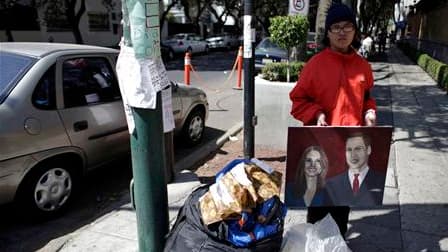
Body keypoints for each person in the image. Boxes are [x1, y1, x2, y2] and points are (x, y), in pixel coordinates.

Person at [289, 3, 377, 236]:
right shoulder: (315, 65)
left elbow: (367, 98)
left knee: (341, 208)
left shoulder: (363, 67)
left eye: (347, 26)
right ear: (328, 33)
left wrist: (369, 112)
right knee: (318, 208)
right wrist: (316, 113)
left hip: (349, 152)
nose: (341, 32)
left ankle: (336, 244)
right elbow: (298, 101)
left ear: (354, 31)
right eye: (335, 27)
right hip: (320, 148)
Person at [325, 132, 385, 206]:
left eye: (358, 149)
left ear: (368, 150)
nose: (353, 155)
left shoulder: (382, 180)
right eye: (349, 150)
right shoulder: (331, 184)